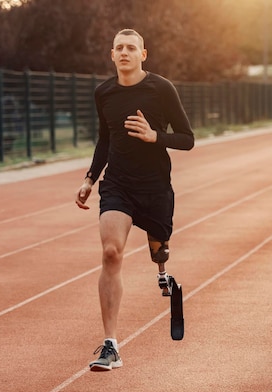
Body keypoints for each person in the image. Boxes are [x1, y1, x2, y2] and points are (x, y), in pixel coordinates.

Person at [75, 28, 194, 372]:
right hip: (118, 185)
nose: (124, 52)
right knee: (111, 252)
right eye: (119, 48)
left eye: (131, 48)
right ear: (112, 55)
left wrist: (154, 136)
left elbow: (187, 139)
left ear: (143, 54)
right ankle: (111, 345)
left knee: (159, 248)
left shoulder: (161, 89)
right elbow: (104, 140)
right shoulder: (104, 93)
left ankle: (163, 270)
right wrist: (89, 179)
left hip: (155, 186)